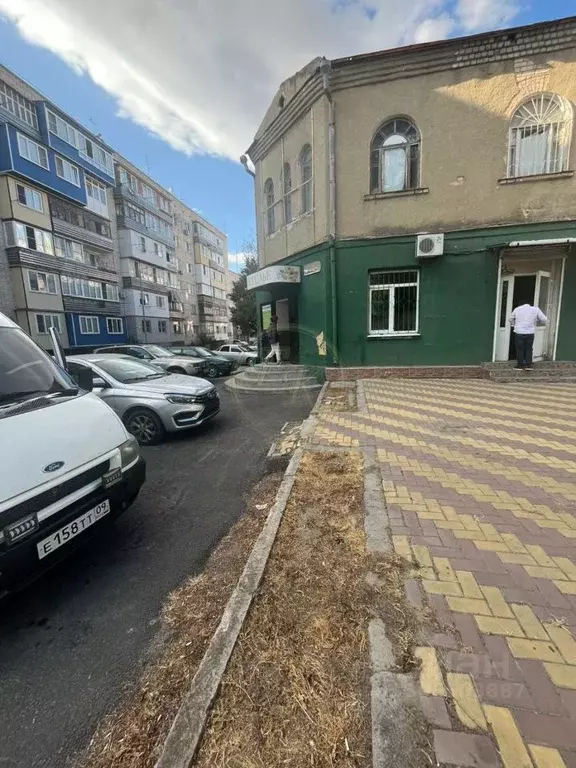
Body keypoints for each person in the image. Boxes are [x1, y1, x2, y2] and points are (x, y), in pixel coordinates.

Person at [509, 302, 547, 371]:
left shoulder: (517, 309)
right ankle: (528, 365)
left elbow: (510, 319)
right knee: (529, 348)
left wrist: (513, 325)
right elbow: (544, 319)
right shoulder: (536, 310)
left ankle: (520, 365)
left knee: (519, 348)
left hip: (519, 332)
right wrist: (536, 320)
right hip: (530, 332)